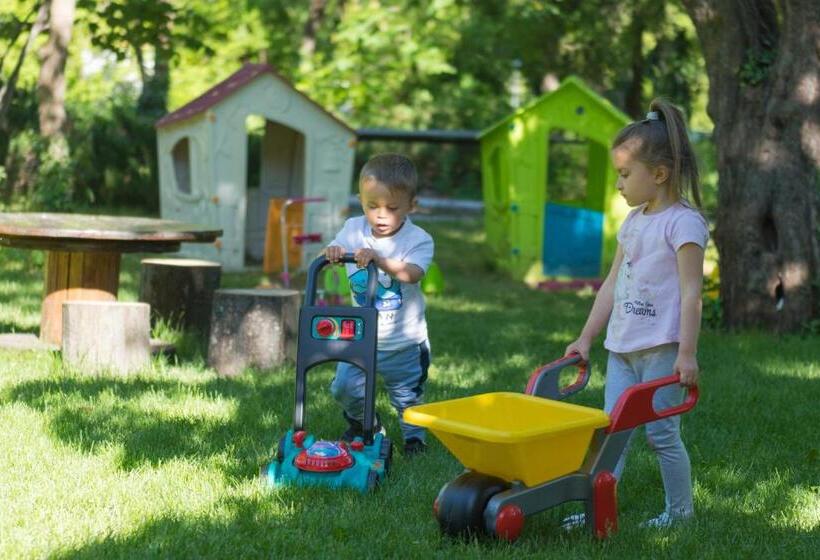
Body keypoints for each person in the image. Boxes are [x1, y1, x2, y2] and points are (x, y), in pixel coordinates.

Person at [562, 99, 708, 529]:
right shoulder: (633, 223)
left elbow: (691, 292)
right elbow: (611, 284)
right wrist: (586, 338)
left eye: (625, 175)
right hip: (622, 347)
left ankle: (679, 514)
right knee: (614, 433)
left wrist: (687, 353)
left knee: (661, 433)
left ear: (659, 174)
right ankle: (596, 511)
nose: (619, 185)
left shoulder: (684, 224)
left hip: (661, 350)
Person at [324, 153, 434, 456]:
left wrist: (380, 259)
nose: (380, 215)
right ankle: (364, 423)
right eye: (372, 206)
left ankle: (414, 439)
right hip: (362, 337)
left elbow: (413, 273)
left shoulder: (418, 239)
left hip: (404, 342)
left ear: (411, 205)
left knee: (407, 397)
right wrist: (333, 251)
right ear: (360, 200)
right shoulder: (353, 229)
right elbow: (334, 249)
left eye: (392, 207)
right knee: (344, 387)